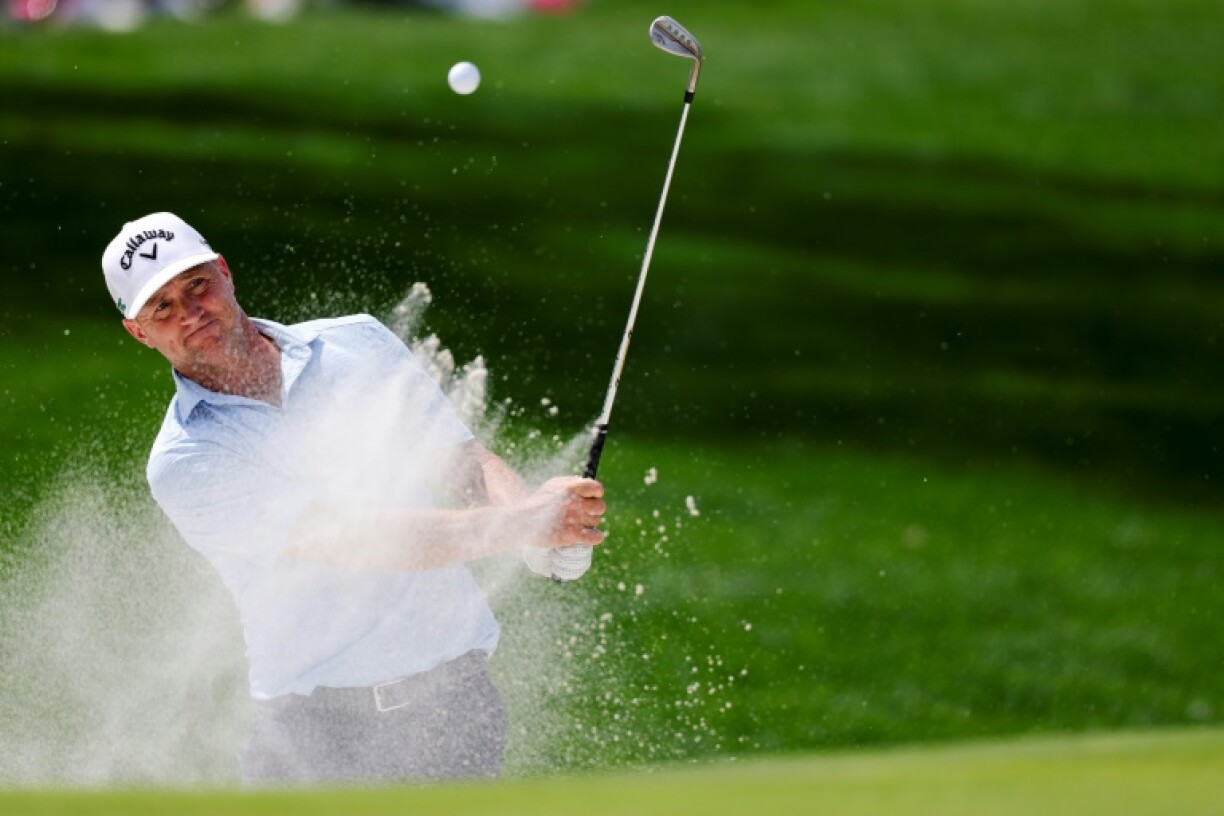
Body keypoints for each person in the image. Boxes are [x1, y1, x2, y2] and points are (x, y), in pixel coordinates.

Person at [101, 211, 606, 784]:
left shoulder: (357, 342)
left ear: (224, 271)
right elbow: (352, 540)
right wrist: (519, 526)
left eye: (196, 285)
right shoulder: (185, 460)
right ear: (138, 332)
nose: (189, 313)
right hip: (314, 742)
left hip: (456, 710)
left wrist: (538, 533)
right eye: (161, 307)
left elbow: (460, 461)